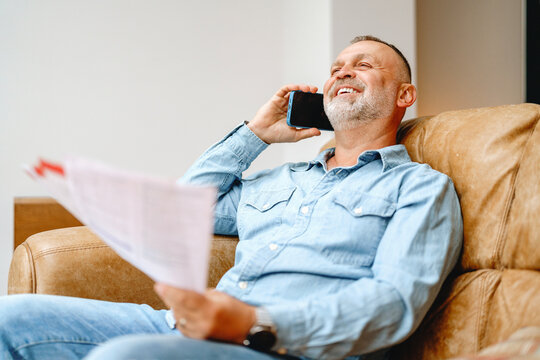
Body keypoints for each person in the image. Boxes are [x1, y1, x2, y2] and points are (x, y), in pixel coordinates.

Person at [0, 35, 462, 360]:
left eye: (363, 64)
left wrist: (250, 322)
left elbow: (393, 304)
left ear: (406, 94)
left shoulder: (421, 188)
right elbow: (183, 211)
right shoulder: (283, 180)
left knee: (128, 356)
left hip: (283, 348)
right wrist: (255, 134)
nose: (343, 71)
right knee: (10, 318)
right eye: (336, 67)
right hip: (182, 328)